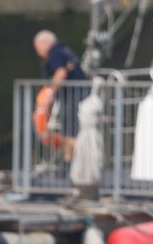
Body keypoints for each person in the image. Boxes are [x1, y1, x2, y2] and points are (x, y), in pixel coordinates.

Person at [33, 30, 88, 161]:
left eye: (37, 47)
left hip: (72, 96)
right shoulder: (64, 50)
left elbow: (60, 73)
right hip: (81, 94)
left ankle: (79, 160)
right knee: (70, 129)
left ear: (45, 43)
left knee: (69, 130)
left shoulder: (54, 53)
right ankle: (70, 162)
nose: (37, 52)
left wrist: (50, 94)